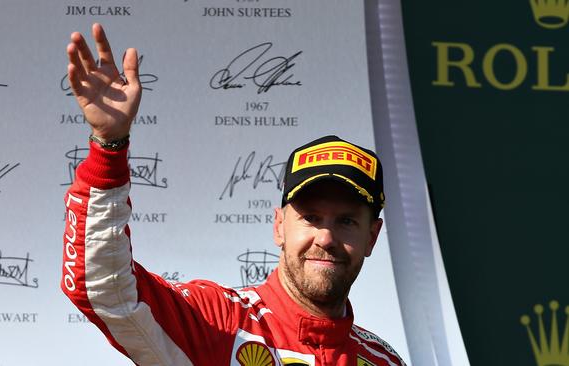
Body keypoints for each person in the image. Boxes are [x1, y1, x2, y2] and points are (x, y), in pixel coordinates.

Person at [61, 23, 406, 366]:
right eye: (311, 217)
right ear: (279, 226)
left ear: (372, 237)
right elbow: (104, 287)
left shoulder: (383, 360)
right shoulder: (216, 320)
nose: (326, 237)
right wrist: (109, 147)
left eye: (346, 221)